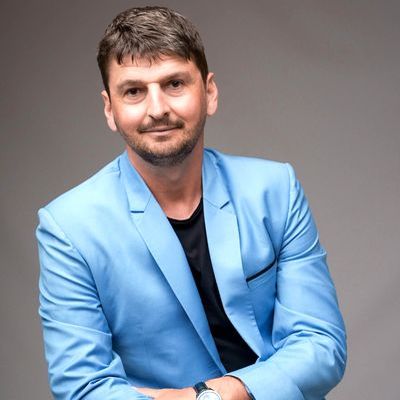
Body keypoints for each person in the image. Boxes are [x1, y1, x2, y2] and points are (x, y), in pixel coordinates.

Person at [36, 6, 346, 400]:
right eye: (133, 91)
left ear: (209, 92)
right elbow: (83, 387)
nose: (157, 109)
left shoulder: (274, 190)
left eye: (174, 83)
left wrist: (212, 394)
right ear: (109, 109)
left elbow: (322, 344)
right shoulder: (68, 228)